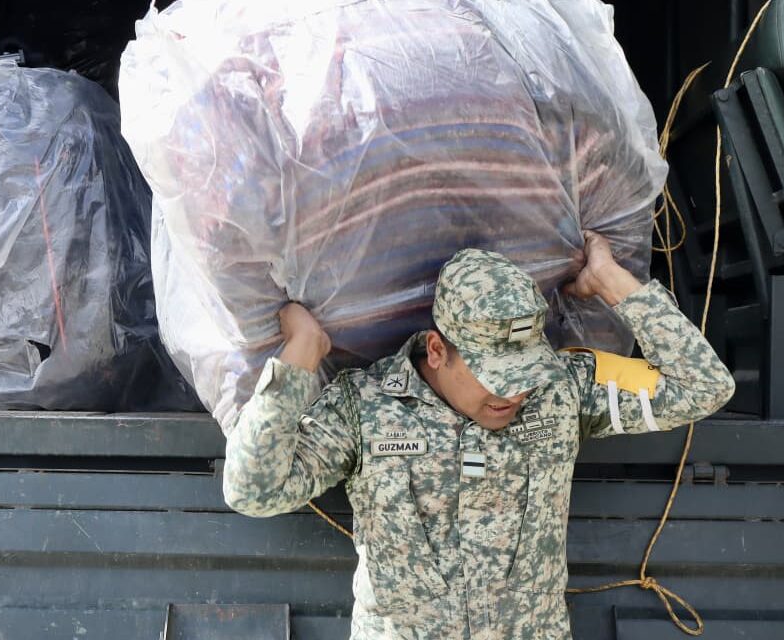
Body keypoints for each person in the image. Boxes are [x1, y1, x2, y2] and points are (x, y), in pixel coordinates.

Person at [222, 232, 736, 639]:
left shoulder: (559, 391)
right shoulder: (367, 405)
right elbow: (252, 489)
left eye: (524, 373)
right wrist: (300, 358)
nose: (513, 394)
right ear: (437, 349)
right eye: (495, 375)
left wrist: (607, 279)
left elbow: (703, 385)